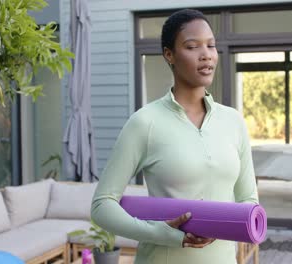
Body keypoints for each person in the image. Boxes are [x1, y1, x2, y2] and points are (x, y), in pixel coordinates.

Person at [91, 8, 259, 264]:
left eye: (211, 46)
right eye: (192, 46)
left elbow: (248, 200)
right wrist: (158, 233)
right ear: (169, 55)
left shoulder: (233, 121)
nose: (206, 55)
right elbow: (102, 206)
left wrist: (233, 225)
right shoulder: (145, 122)